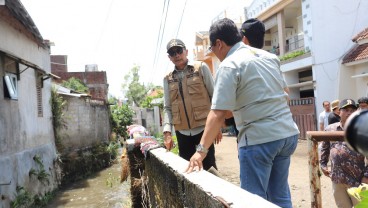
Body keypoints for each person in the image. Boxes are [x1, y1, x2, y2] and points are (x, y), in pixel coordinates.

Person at [185, 18, 299, 208]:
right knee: (279, 197)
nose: (215, 53)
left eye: (212, 48)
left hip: (259, 140)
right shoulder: (268, 57)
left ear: (219, 44)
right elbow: (284, 93)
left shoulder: (230, 65)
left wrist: (201, 152)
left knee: (252, 201)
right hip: (287, 135)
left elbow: (218, 114)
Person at [162, 39, 220, 171]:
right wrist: (167, 132)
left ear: (186, 52)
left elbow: (215, 98)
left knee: (210, 167)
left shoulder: (200, 68)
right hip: (182, 132)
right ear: (169, 57)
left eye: (179, 51)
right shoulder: (168, 78)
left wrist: (217, 126)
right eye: (172, 52)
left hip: (203, 129)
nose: (176, 55)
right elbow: (167, 107)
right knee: (187, 171)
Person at [320, 99, 368, 207]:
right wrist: (323, 164)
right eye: (346, 110)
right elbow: (325, 147)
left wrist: (366, 176)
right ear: (339, 112)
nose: (349, 113)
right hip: (337, 178)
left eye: (352, 110)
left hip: (357, 179)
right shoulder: (330, 129)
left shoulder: (362, 130)